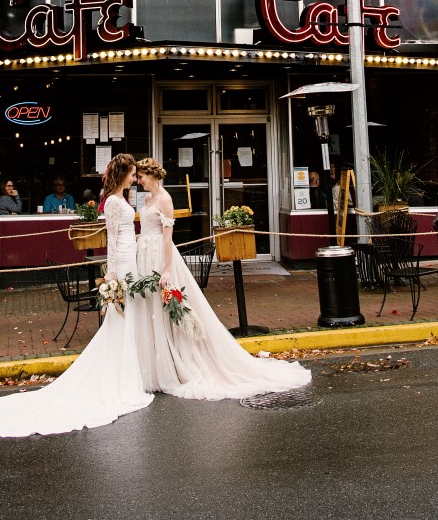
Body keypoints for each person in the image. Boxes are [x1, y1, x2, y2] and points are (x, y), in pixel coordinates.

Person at [0, 154, 152, 437]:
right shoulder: (115, 202)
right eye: (131, 173)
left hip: (133, 258)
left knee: (128, 315)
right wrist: (112, 273)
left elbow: (127, 234)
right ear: (123, 174)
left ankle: (130, 368)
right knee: (121, 316)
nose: (134, 178)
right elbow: (113, 239)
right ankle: (121, 373)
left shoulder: (123, 199)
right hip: (124, 262)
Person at [133, 157, 310, 400]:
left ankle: (178, 361)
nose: (138, 181)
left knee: (169, 306)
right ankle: (157, 362)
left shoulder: (165, 199)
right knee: (151, 308)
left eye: (140, 177)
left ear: (150, 175)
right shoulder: (147, 199)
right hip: (144, 255)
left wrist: (166, 269)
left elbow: (167, 238)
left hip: (160, 257)